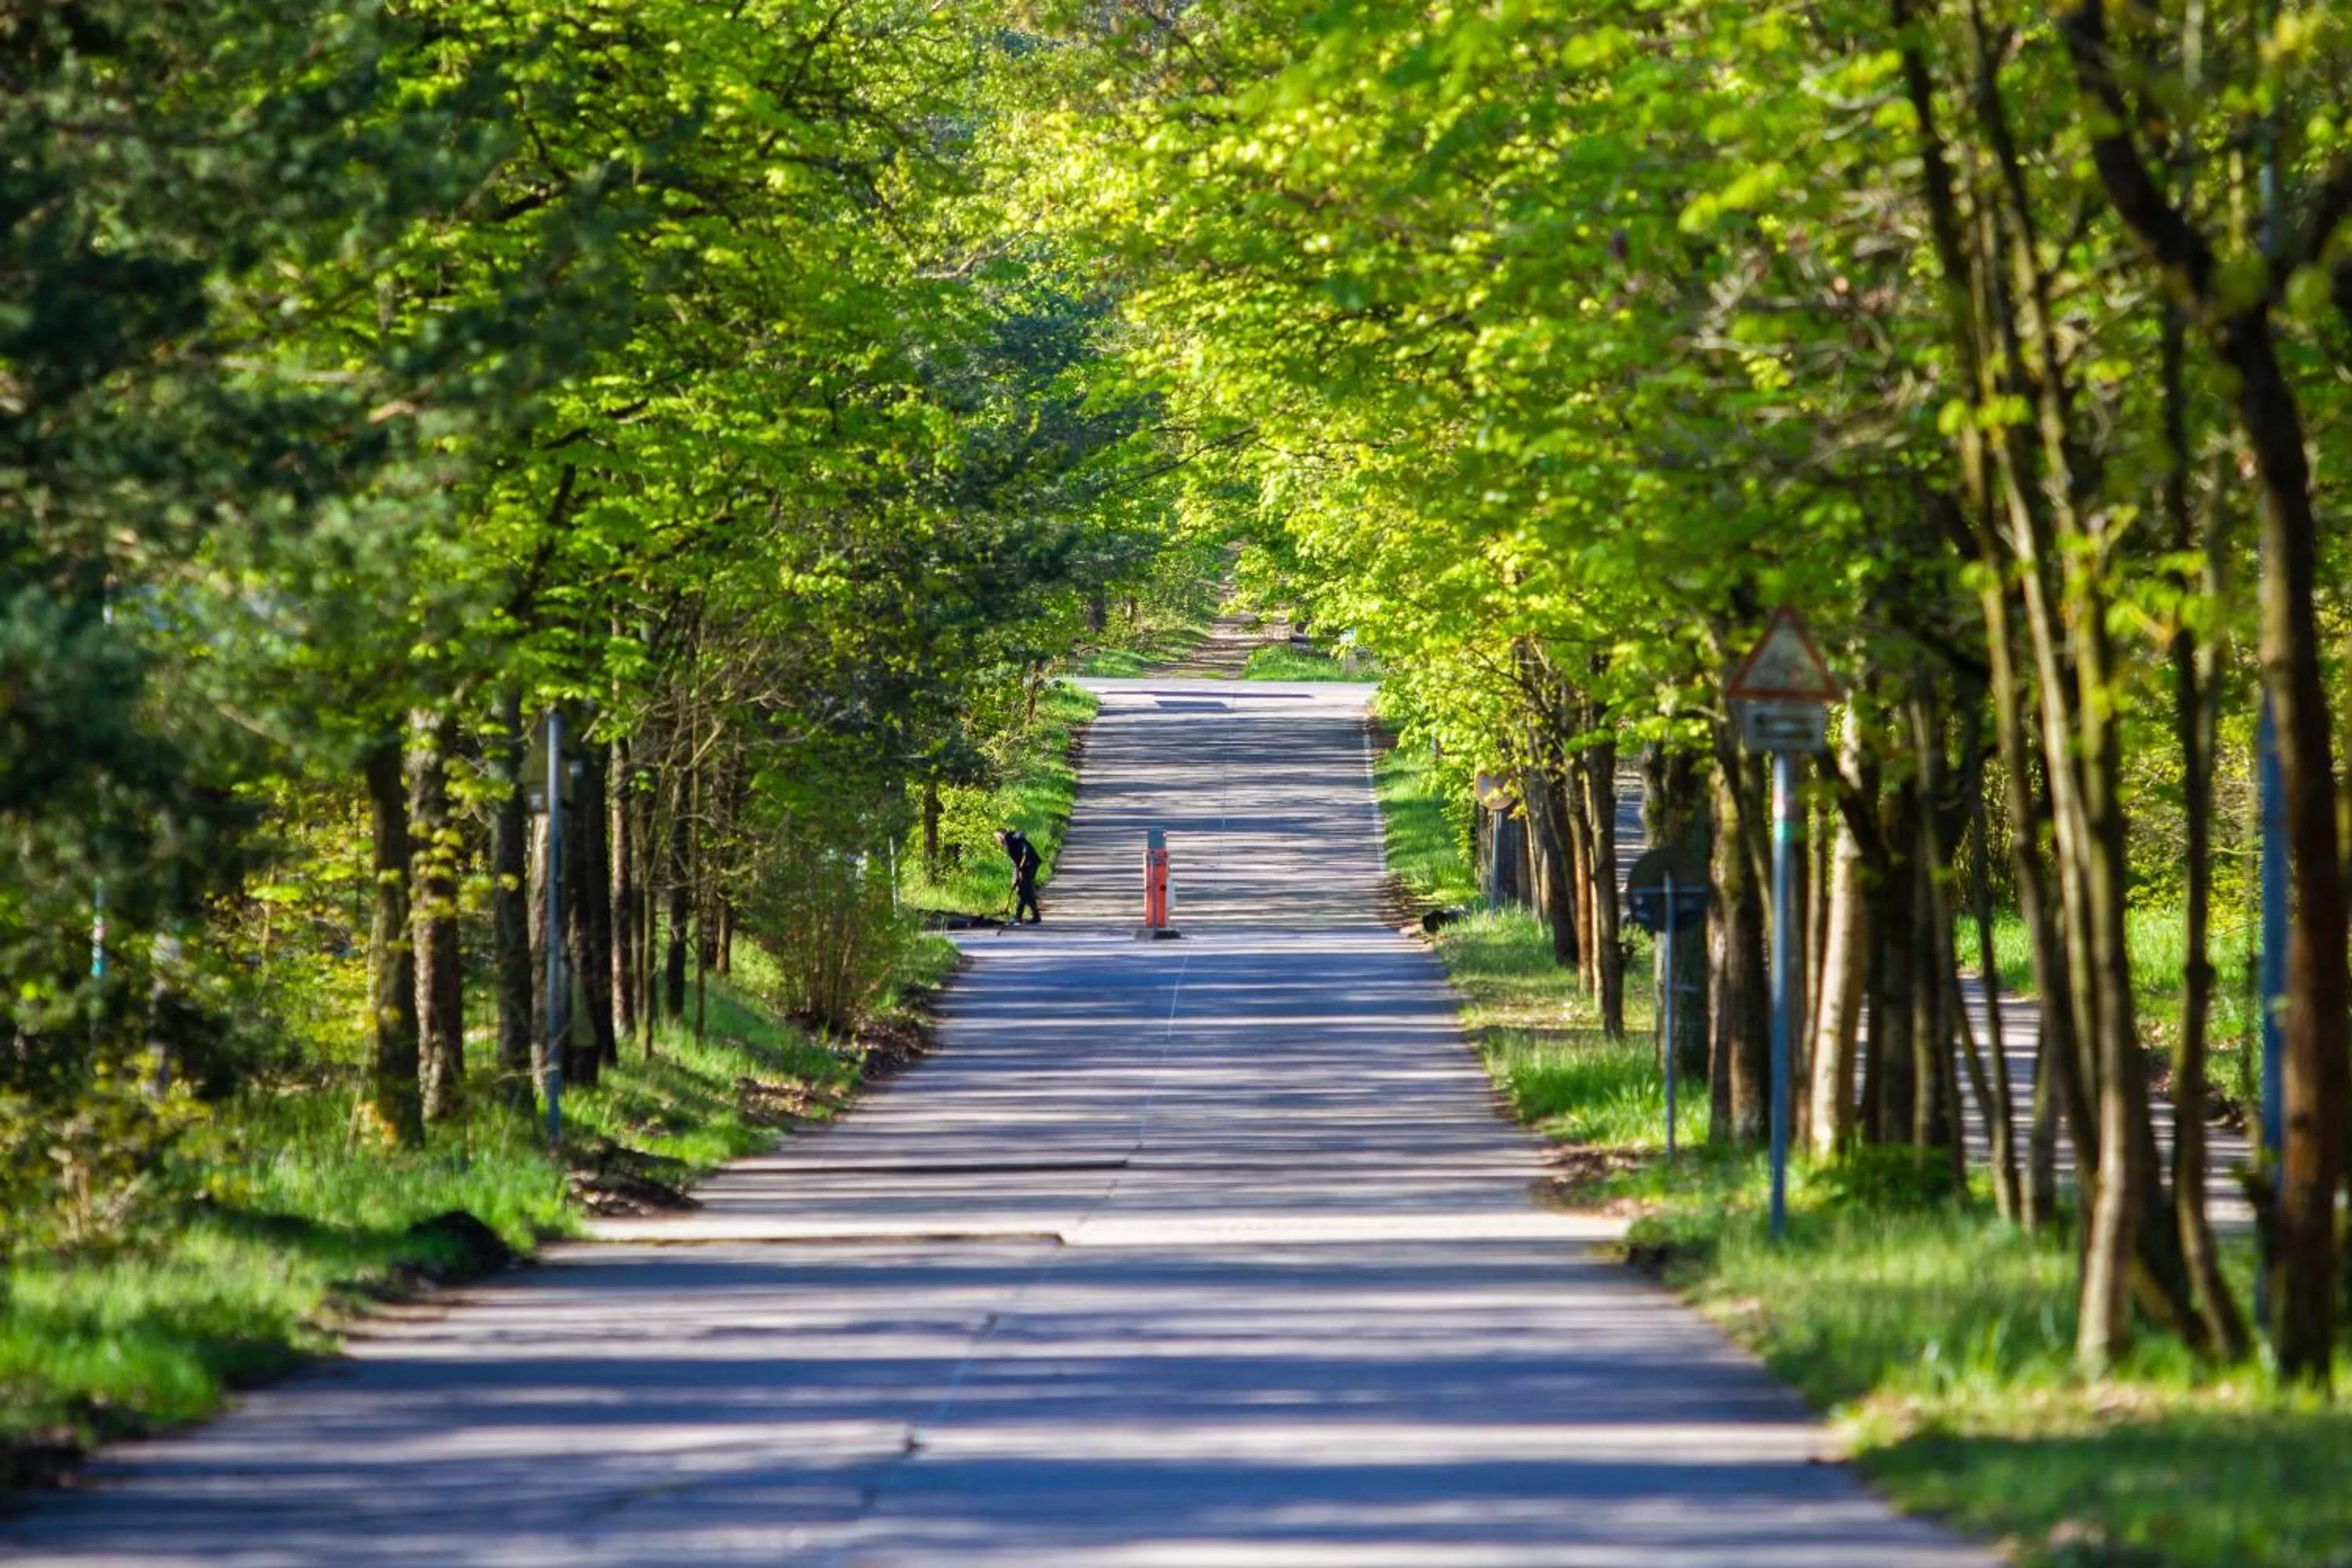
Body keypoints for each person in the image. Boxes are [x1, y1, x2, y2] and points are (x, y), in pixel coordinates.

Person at [997, 826, 1042, 924]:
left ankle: (1020, 917)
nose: (996, 841)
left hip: (1028, 864)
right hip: (1030, 863)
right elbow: (1017, 861)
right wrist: (1016, 877)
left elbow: (1017, 862)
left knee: (1024, 890)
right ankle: (1031, 916)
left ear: (1000, 836)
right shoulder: (1012, 837)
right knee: (1025, 890)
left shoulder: (1008, 842)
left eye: (996, 838)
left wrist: (1018, 876)